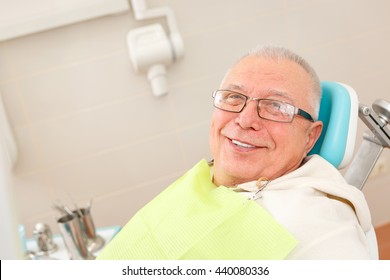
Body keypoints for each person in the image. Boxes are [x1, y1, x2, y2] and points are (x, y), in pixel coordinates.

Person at [97, 45, 372, 260]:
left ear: (310, 136)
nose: (244, 119)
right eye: (234, 97)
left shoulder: (320, 230)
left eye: (276, 106)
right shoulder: (208, 176)